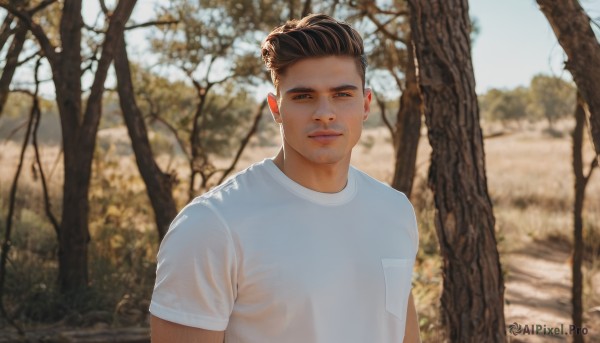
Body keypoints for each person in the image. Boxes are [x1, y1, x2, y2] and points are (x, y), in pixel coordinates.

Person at [149, 13, 420, 343]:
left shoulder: (395, 211)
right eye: (303, 96)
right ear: (276, 108)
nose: (324, 113)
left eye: (342, 94)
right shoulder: (212, 226)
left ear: (365, 104)